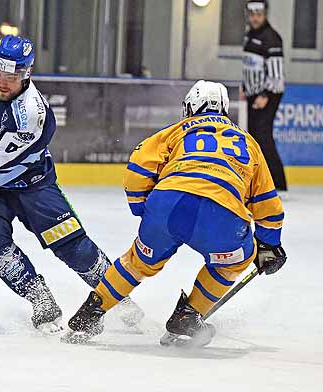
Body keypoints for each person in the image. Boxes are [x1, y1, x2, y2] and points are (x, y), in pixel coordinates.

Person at [0, 35, 143, 333]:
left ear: (28, 73)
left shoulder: (32, 114)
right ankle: (40, 298)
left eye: (12, 77)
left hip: (32, 186)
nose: (3, 83)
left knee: (74, 247)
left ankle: (117, 298)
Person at [64, 81, 287, 346]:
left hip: (168, 204)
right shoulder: (248, 143)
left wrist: (144, 210)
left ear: (190, 106)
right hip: (222, 211)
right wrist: (268, 245)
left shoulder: (176, 131)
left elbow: (138, 168)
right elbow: (267, 202)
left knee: (138, 262)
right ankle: (189, 314)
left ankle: (91, 312)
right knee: (235, 259)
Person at [242, 0, 288, 192]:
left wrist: (265, 94)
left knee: (263, 137)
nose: (255, 18)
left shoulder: (272, 39)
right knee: (253, 137)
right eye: (252, 14)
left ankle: (279, 184)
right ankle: (259, 182)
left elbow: (276, 75)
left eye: (258, 14)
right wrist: (245, 87)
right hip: (253, 94)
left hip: (268, 94)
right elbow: (249, 66)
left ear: (265, 14)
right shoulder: (249, 36)